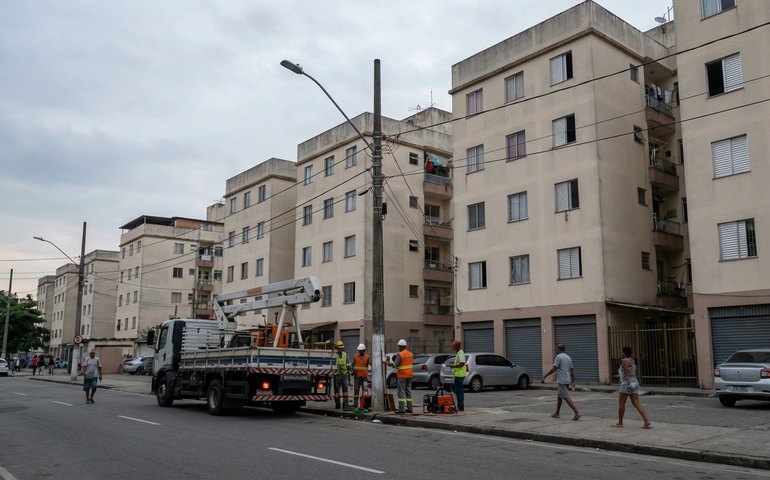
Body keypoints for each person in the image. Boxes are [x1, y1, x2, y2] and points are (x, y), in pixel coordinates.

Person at [613, 346, 652, 429]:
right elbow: (630, 373)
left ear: (623, 352)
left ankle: (620, 422)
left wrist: (629, 384)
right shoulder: (632, 361)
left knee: (621, 404)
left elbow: (627, 374)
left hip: (627, 384)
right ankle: (646, 421)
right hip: (635, 382)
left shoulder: (624, 361)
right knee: (636, 403)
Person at [542, 343, 582, 420]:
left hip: (562, 381)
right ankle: (557, 413)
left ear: (559, 349)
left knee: (565, 396)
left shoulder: (559, 357)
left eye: (556, 348)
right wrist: (573, 381)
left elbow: (554, 368)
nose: (555, 350)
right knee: (560, 397)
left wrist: (545, 376)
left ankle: (577, 413)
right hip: (567, 380)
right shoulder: (568, 357)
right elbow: (572, 370)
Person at [387, 339, 414, 413]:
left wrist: (388, 363)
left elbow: (395, 365)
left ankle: (401, 409)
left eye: (399, 346)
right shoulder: (410, 354)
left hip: (402, 375)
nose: (399, 348)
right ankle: (410, 408)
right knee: (408, 391)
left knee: (401, 392)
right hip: (409, 375)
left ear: (401, 346)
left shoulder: (400, 354)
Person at [448, 340, 467, 412]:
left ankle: (461, 406)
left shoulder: (461, 353)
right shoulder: (458, 353)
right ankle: (459, 406)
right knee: (457, 391)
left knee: (459, 391)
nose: (453, 348)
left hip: (460, 375)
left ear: (457, 346)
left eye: (454, 346)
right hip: (457, 375)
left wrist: (453, 366)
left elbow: (462, 363)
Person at [351, 344, 370, 409]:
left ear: (364, 350)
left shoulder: (367, 357)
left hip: (364, 377)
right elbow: (353, 365)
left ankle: (364, 404)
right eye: (359, 350)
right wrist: (354, 371)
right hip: (357, 377)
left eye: (361, 350)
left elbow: (367, 366)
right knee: (356, 390)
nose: (360, 351)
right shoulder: (355, 356)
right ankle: (355, 403)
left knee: (365, 391)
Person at [332, 340, 350, 409]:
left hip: (344, 375)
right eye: (339, 348)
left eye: (341, 348)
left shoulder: (345, 355)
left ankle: (345, 404)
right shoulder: (334, 355)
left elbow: (348, 364)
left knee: (345, 390)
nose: (340, 350)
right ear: (337, 348)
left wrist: (347, 371)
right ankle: (337, 404)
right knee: (337, 391)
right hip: (337, 375)